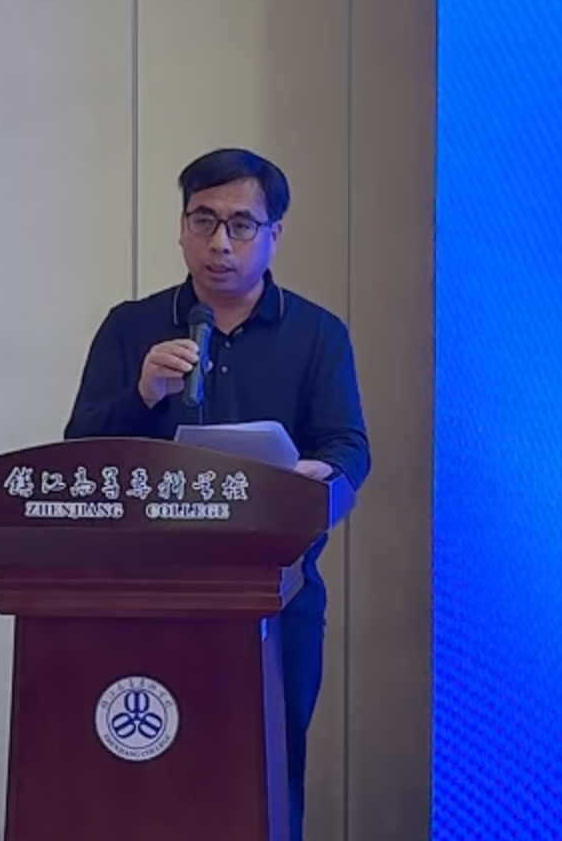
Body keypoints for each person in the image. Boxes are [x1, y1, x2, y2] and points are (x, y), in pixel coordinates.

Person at [62, 147, 371, 841]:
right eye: (202, 221)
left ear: (274, 234)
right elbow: (81, 453)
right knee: (146, 781)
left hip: (277, 598)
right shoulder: (131, 327)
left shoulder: (317, 334)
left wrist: (318, 476)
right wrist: (143, 394)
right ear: (181, 228)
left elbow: (348, 447)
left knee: (267, 780)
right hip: (143, 600)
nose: (219, 243)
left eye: (240, 224)